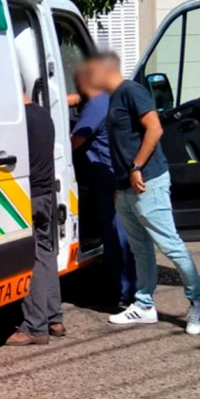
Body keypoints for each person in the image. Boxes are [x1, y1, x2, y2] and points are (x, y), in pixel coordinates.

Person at [87, 52, 200, 335]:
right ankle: (144, 305)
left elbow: (154, 130)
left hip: (147, 181)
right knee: (139, 248)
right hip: (126, 187)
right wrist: (121, 185)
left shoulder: (132, 91)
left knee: (170, 245)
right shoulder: (113, 97)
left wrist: (136, 167)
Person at [70, 65, 137, 307]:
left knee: (115, 236)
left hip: (106, 178)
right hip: (114, 174)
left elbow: (74, 142)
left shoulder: (94, 106)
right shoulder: (106, 99)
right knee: (123, 234)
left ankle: (123, 294)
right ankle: (126, 289)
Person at [7, 84, 65, 345]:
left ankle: (34, 326)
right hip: (47, 194)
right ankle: (55, 319)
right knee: (46, 253)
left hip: (28, 196)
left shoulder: (18, 121)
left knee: (30, 260)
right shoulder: (43, 115)